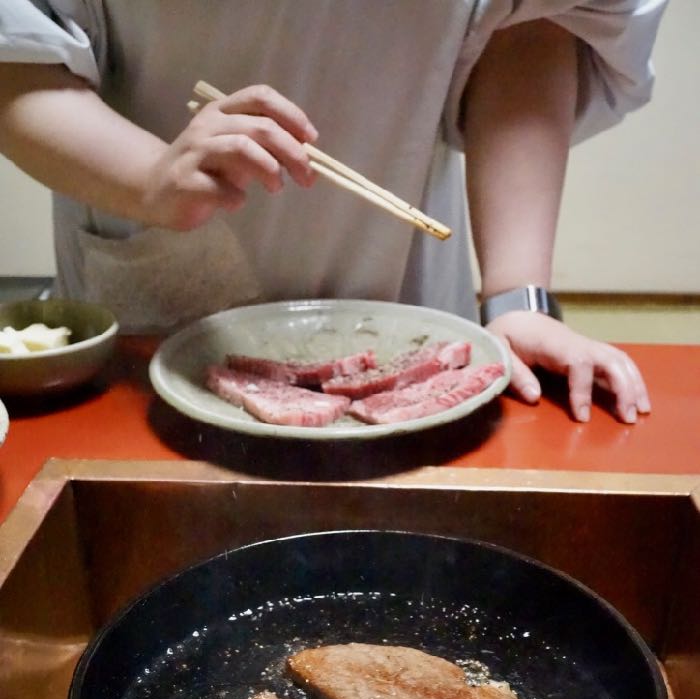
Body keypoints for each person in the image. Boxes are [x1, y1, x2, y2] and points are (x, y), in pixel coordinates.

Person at [0, 1, 667, 423]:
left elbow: (532, 20)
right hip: (147, 340)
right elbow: (16, 44)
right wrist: (149, 177)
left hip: (411, 329)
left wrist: (519, 298)